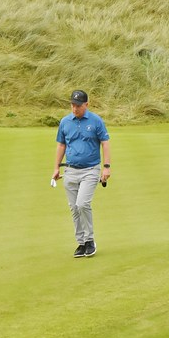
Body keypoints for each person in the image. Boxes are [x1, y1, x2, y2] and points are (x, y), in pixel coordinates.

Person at [52, 90, 111, 258]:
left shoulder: (96, 121)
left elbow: (105, 142)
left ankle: (90, 240)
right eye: (72, 105)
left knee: (82, 204)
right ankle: (81, 243)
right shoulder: (65, 122)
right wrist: (56, 167)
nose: (74, 108)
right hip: (70, 170)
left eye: (78, 105)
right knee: (74, 208)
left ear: (86, 104)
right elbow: (61, 145)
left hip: (90, 170)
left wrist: (106, 167)